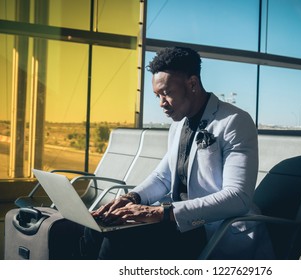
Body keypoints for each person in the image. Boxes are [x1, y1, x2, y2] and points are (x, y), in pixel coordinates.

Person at [83, 46, 273, 260]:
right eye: (157, 95)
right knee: (95, 227)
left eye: (166, 93)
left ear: (192, 84)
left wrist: (159, 213)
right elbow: (162, 177)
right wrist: (131, 197)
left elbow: (237, 198)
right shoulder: (178, 124)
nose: (161, 104)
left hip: (210, 228)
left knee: (118, 240)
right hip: (176, 224)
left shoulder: (234, 121)